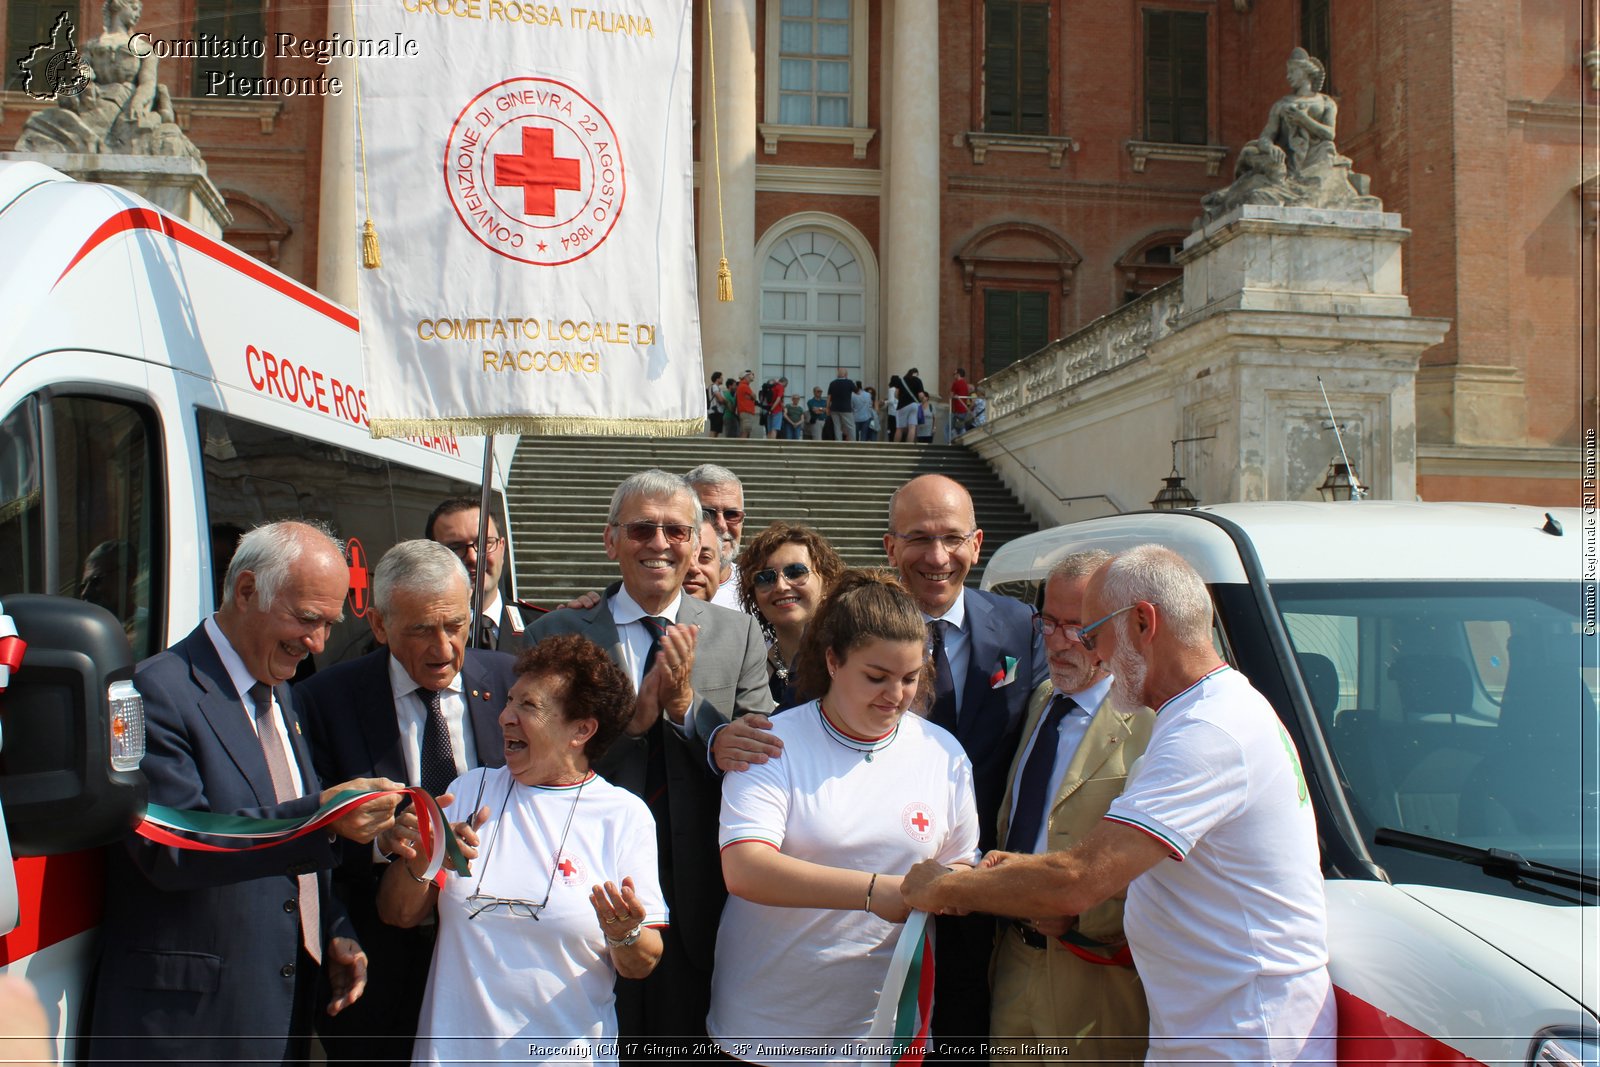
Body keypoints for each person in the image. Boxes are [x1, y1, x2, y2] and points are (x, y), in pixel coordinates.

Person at [903, 545, 1336, 1064]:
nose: (1091, 651)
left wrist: (945, 885)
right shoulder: (1209, 711)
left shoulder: (1208, 731)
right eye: (1060, 626)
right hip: (1212, 1021)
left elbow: (1078, 880)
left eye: (1091, 632)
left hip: (1241, 1032)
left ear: (1142, 623)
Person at [86, 521, 405, 1065]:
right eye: (307, 619)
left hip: (276, 1017)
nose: (317, 644)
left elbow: (284, 849)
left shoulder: (284, 697)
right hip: (186, 1033)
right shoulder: (149, 692)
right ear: (246, 590)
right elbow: (174, 843)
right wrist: (322, 818)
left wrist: (329, 929)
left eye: (329, 625)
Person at [524, 470, 772, 1058]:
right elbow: (532, 761)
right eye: (642, 529)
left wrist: (688, 714)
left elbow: (760, 756)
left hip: (698, 893)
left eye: (675, 530)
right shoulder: (557, 634)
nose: (659, 542)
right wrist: (633, 723)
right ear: (611, 541)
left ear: (695, 541)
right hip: (583, 888)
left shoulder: (737, 634)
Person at [707, 570, 979, 1062]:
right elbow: (746, 869)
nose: (895, 696)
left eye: (910, 679)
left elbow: (959, 860)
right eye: (876, 677)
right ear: (833, 661)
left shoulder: (945, 753)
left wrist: (957, 884)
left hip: (886, 1027)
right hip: (770, 1026)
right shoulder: (774, 745)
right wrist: (878, 892)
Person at [379, 634, 666, 1065]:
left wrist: (622, 931)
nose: (504, 718)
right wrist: (420, 862)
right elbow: (397, 914)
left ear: (582, 730)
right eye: (509, 701)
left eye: (528, 707)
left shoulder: (624, 815)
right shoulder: (469, 790)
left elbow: (640, 962)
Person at [298, 540, 518, 1066]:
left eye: (456, 626)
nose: (443, 649)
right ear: (378, 626)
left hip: (493, 957)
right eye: (421, 629)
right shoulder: (325, 700)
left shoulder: (512, 680)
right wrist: (378, 842)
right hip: (377, 955)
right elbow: (305, 837)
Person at [884, 474, 1047, 1049]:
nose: (937, 557)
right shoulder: (854, 628)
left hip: (986, 894)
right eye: (918, 538)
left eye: (952, 539)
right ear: (890, 547)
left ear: (977, 545)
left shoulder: (1023, 628)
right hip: (876, 892)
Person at [989, 551, 1152, 1064]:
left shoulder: (1151, 721)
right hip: (1014, 958)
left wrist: (1080, 911)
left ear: (1118, 627)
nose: (1057, 642)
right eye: (1049, 622)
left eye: (1077, 627)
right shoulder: (1042, 698)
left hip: (1096, 977)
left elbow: (1169, 865)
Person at [737, 522, 846, 710]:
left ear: (828, 583)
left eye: (795, 572)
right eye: (765, 578)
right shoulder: (747, 668)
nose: (781, 586)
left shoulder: (847, 660)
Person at [426, 497, 531, 649]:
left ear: (502, 547)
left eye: (484, 543)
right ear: (431, 556)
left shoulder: (541, 628)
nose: (473, 558)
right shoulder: (417, 635)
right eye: (455, 547)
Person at [686, 463, 748, 611]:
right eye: (707, 514)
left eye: (732, 514)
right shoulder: (662, 587)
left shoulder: (762, 591)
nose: (722, 525)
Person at [682, 514, 726, 602]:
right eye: (684, 557)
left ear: (719, 570)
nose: (693, 568)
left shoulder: (740, 616)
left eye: (705, 557)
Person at [826, 366, 856, 442]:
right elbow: (857, 391)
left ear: (837, 375)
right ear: (846, 374)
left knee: (837, 426)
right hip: (846, 408)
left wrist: (827, 408)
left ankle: (838, 442)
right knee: (850, 426)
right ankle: (853, 442)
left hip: (834, 408)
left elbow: (829, 397)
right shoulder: (849, 382)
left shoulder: (832, 383)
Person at [734, 371, 759, 438]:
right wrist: (751, 397)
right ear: (746, 377)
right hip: (746, 411)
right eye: (750, 374)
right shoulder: (744, 386)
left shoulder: (742, 386)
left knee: (745, 430)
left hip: (744, 411)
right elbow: (754, 396)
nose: (752, 376)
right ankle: (742, 447)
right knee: (746, 430)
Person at [949, 369, 973, 433]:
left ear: (958, 375)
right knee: (960, 427)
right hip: (964, 409)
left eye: (954, 374)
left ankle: (950, 442)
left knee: (948, 428)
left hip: (957, 410)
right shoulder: (965, 384)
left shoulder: (956, 383)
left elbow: (951, 395)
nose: (953, 376)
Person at [706, 371, 725, 437]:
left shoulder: (715, 387)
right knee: (714, 430)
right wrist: (725, 401)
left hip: (717, 411)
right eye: (721, 377)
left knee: (716, 430)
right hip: (715, 411)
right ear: (717, 379)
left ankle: (712, 445)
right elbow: (720, 399)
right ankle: (710, 445)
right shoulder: (714, 387)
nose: (722, 379)